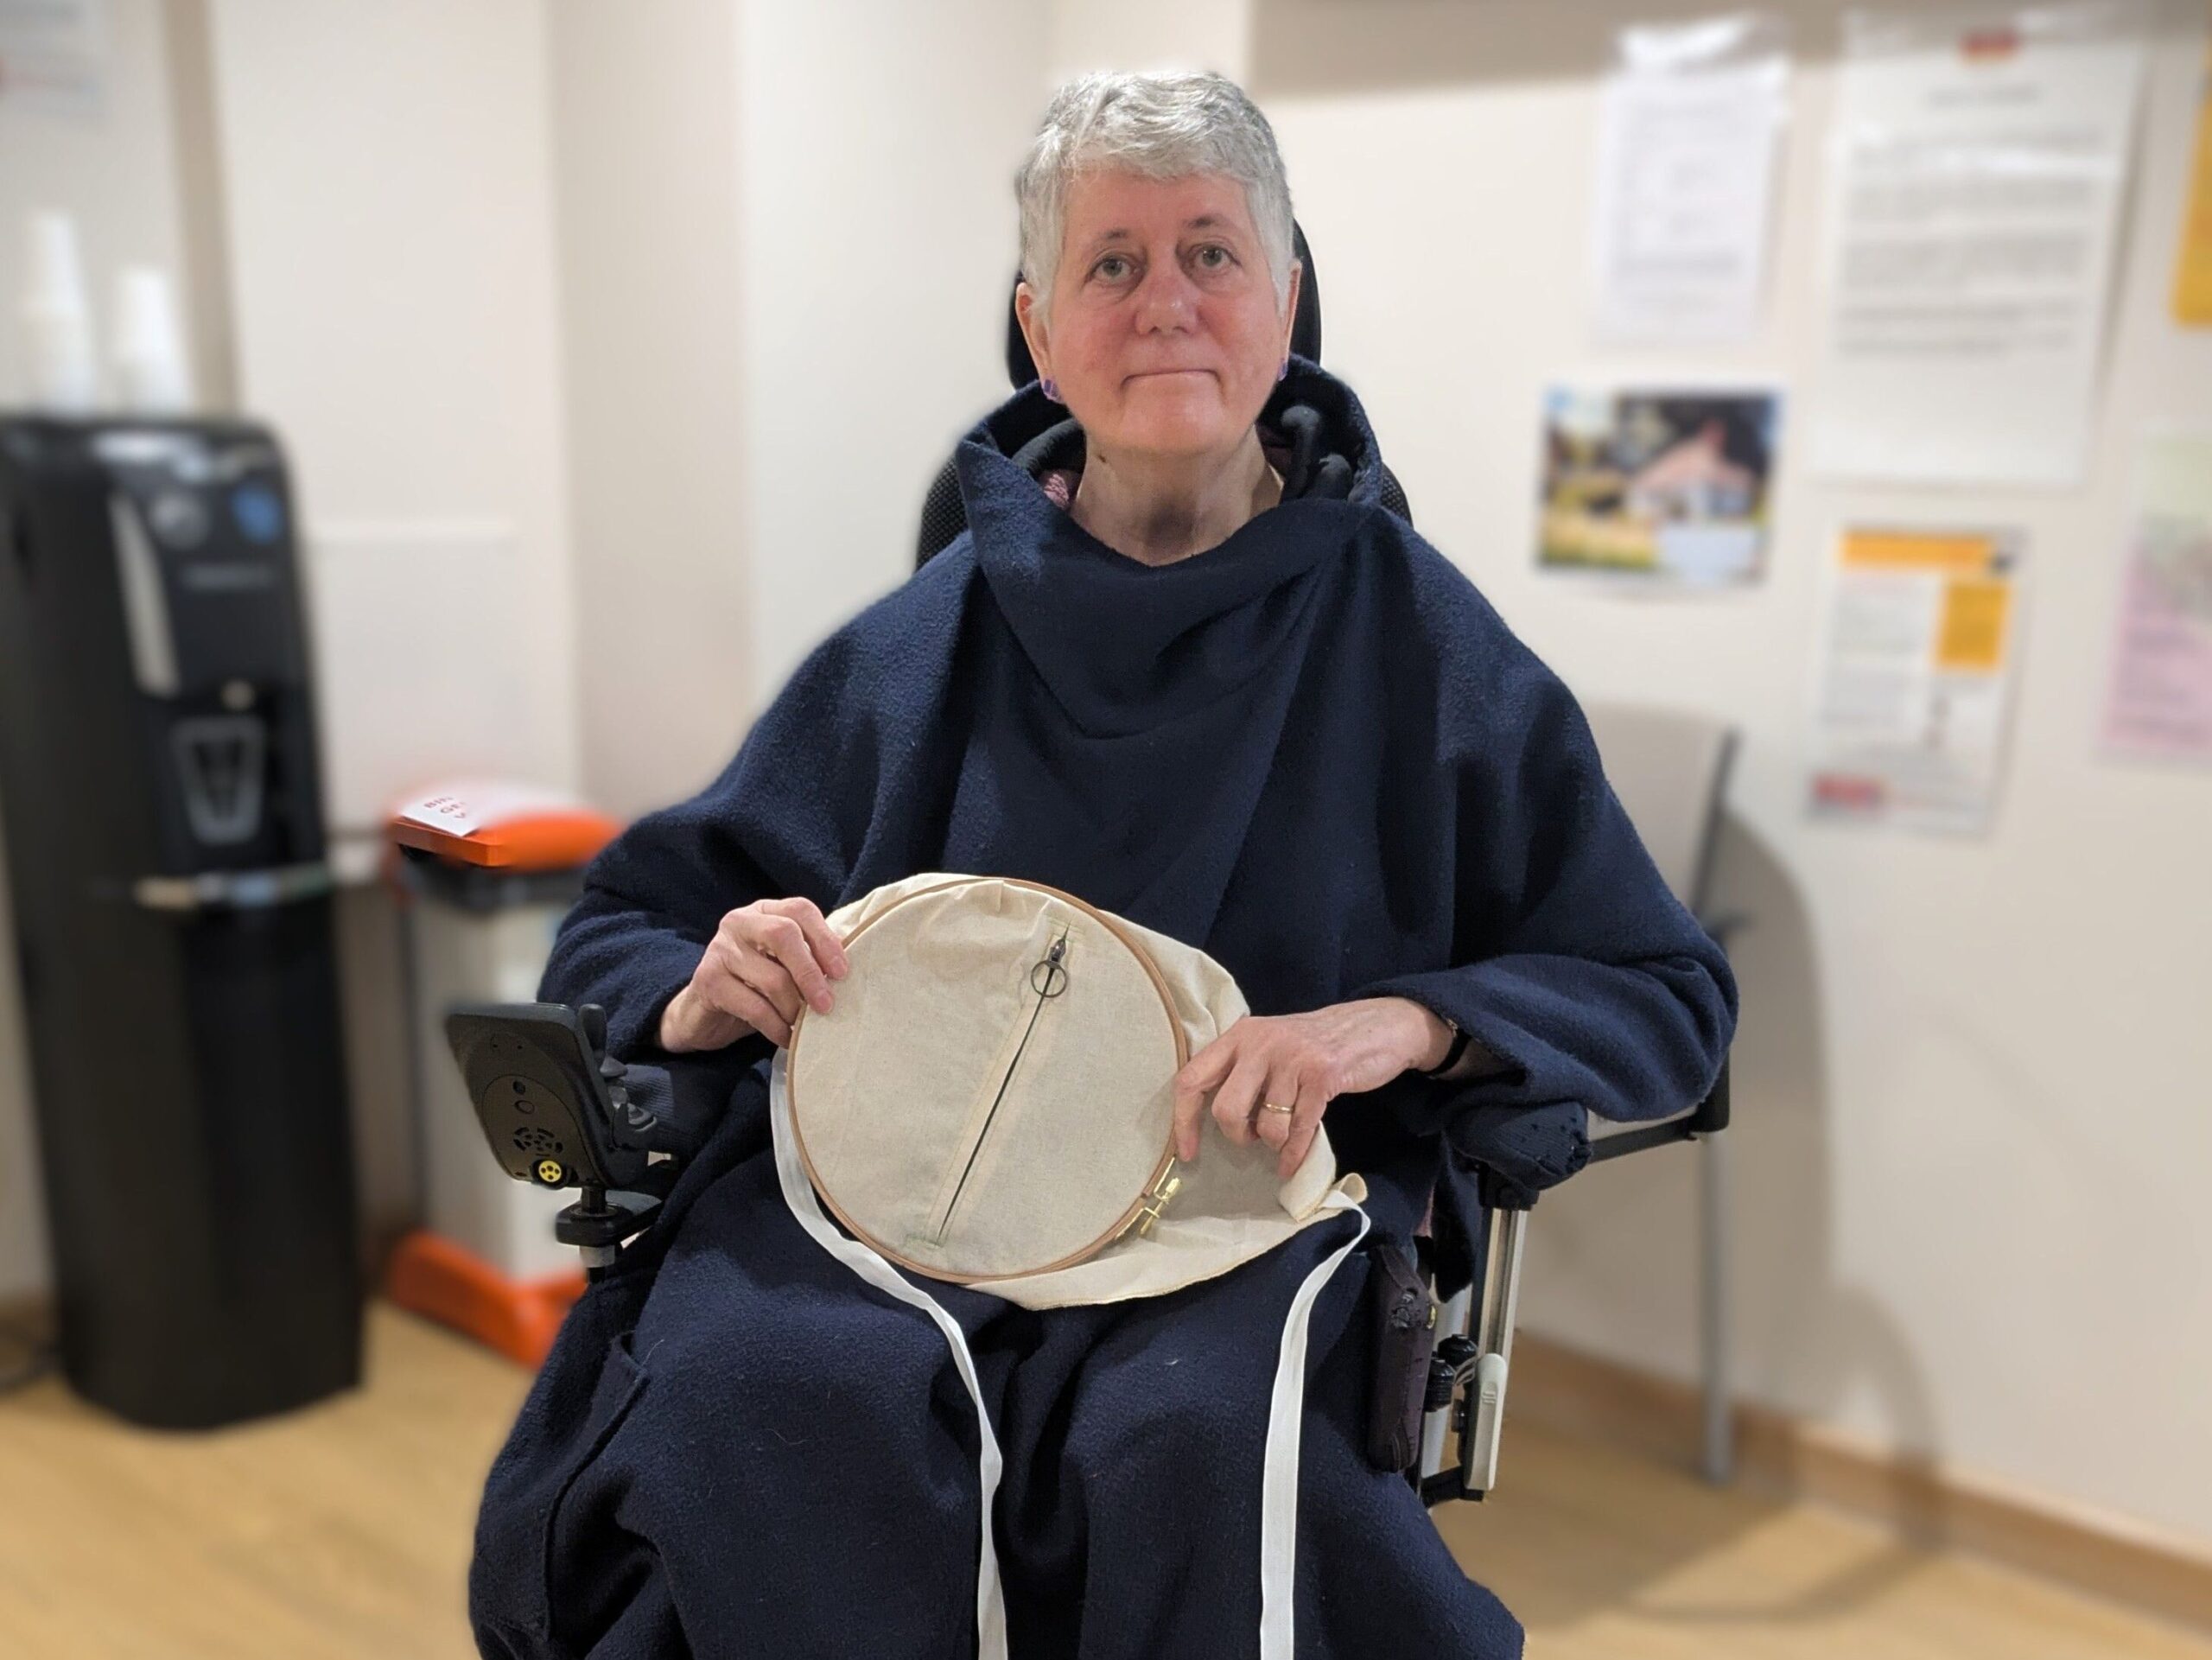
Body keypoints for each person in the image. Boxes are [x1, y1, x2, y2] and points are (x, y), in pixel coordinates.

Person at [470, 69, 1736, 1660]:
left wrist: (1407, 1022)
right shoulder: (921, 646)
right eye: (1112, 263)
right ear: (1040, 328)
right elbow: (621, 930)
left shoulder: (1421, 647)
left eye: (1212, 254)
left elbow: (1667, 992)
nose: (1166, 305)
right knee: (758, 1392)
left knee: (1189, 1443)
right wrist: (702, 989)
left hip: (1245, 1211)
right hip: (892, 1206)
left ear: (1288, 300)